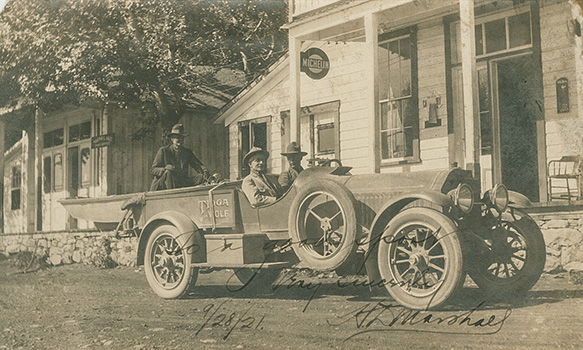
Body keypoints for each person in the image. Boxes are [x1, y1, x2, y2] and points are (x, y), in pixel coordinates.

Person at [150, 123, 210, 191]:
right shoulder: (164, 151)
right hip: (164, 185)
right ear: (172, 139)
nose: (180, 141)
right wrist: (164, 169)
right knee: (168, 172)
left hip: (180, 182)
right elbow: (153, 170)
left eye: (182, 138)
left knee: (201, 177)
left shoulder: (187, 152)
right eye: (177, 138)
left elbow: (198, 165)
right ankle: (173, 196)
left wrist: (205, 172)